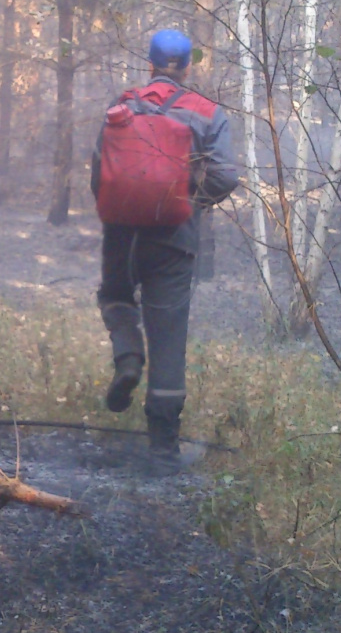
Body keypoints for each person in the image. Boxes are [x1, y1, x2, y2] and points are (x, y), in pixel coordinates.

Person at [90, 29, 239, 470]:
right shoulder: (207, 114)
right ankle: (163, 448)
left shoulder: (123, 105)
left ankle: (128, 355)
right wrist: (185, 201)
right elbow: (226, 177)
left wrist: (116, 209)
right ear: (188, 66)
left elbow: (99, 170)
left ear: (150, 64)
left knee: (115, 296)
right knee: (169, 334)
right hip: (174, 239)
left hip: (121, 234)